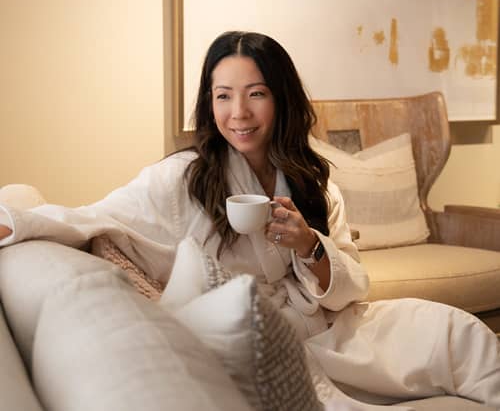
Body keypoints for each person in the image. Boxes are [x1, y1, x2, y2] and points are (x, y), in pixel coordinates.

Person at [0, 31, 499, 409]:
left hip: (340, 329)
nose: (238, 112)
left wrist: (310, 246)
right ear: (209, 102)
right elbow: (91, 217)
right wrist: (13, 223)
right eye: (223, 96)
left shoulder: (313, 179)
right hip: (277, 340)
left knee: (454, 329)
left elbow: (352, 287)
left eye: (256, 93)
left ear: (281, 98)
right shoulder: (183, 180)